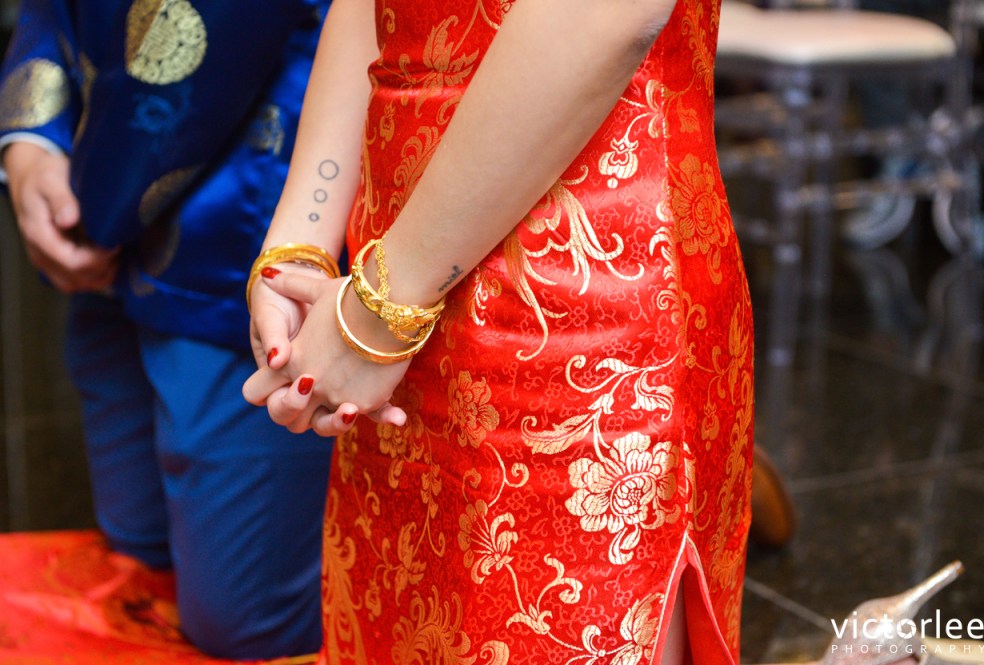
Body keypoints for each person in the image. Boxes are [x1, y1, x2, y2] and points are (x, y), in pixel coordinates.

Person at [244, 0, 754, 663]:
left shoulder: (384, 303)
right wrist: (301, 247)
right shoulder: (374, 301)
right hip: (389, 277)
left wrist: (381, 305)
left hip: (578, 303)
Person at [0, 0, 334, 658]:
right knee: (136, 547)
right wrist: (31, 137)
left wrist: (96, 195)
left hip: (243, 219)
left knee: (246, 619)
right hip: (104, 193)